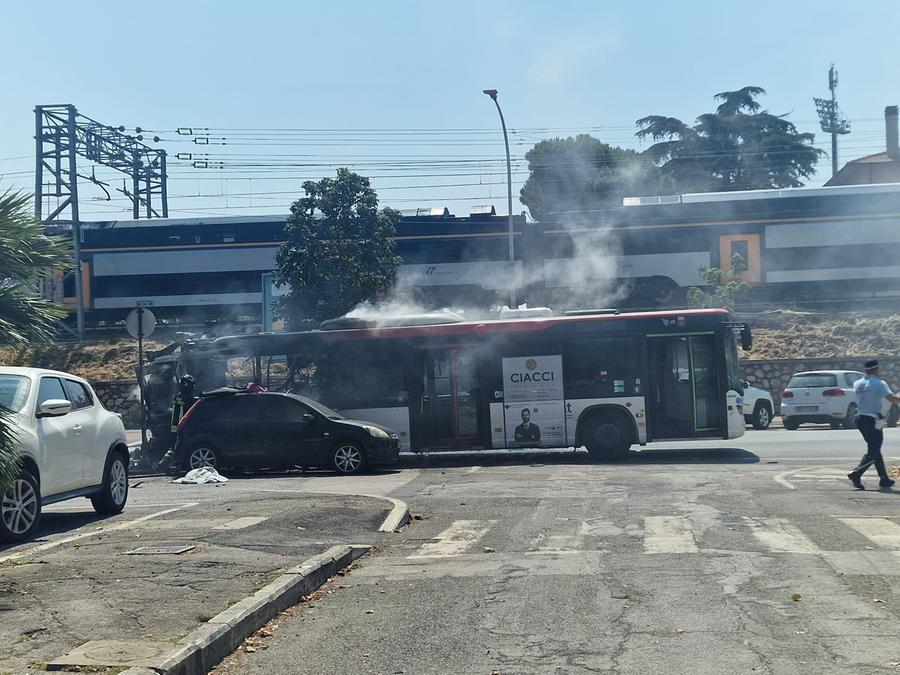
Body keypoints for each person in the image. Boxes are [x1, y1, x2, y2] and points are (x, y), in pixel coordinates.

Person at [848, 360, 900, 490]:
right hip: (872, 420)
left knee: (874, 448)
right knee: (874, 449)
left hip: (860, 419)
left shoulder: (857, 383)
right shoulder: (879, 383)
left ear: (865, 370)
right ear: (876, 369)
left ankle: (884, 479)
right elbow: (891, 399)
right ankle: (856, 473)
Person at [156, 375, 198, 472]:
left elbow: (175, 412)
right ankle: (167, 464)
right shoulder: (188, 397)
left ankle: (166, 464)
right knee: (179, 445)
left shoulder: (178, 396)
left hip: (176, 424)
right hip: (184, 425)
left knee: (176, 445)